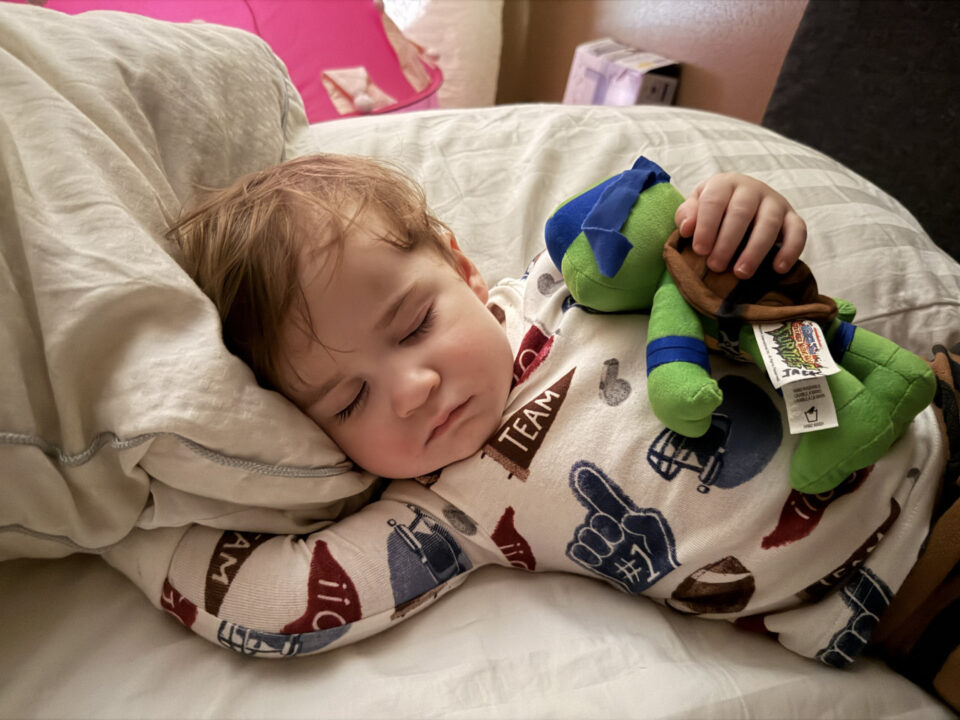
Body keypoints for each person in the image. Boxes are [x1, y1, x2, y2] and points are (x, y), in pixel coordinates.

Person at [161, 154, 957, 708]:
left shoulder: (567, 281)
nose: (412, 391)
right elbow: (268, 602)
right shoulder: (438, 509)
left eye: (413, 327)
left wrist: (741, 214)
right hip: (907, 583)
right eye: (346, 402)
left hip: (929, 401)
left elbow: (687, 245)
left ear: (461, 266)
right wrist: (118, 523)